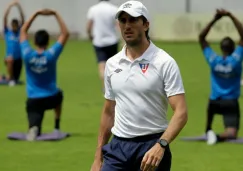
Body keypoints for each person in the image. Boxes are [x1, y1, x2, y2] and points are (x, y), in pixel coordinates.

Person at [90, 1, 188, 171]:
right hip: (118, 147)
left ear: (146, 25)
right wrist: (98, 157)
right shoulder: (112, 64)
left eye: (133, 20)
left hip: (152, 146)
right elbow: (108, 111)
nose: (127, 25)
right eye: (123, 20)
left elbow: (181, 112)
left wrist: (161, 145)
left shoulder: (164, 62)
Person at [19, 9, 69, 141]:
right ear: (47, 43)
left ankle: (33, 128)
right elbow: (65, 34)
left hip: (34, 100)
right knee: (60, 94)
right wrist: (56, 14)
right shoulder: (51, 55)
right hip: (51, 97)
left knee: (34, 122)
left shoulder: (27, 54)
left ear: (34, 42)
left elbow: (23, 31)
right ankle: (57, 126)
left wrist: (35, 14)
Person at [199, 9, 243, 145]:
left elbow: (201, 38)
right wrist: (230, 16)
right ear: (233, 48)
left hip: (214, 102)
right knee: (231, 134)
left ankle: (208, 131)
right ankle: (217, 137)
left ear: (221, 48)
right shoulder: (235, 60)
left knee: (210, 117)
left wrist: (215, 19)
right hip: (230, 102)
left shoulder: (214, 60)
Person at [86, 0, 120, 90]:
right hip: (112, 41)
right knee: (113, 65)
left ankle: (105, 87)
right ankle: (115, 86)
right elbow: (118, 25)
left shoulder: (93, 9)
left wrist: (89, 35)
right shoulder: (114, 9)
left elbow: (89, 25)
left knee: (102, 66)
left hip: (99, 41)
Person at [3, 0, 25, 86]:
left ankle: (8, 78)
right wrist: (10, 6)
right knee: (9, 60)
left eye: (16, 26)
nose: (15, 27)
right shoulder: (7, 32)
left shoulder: (20, 32)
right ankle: (10, 78)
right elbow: (5, 18)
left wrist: (18, 7)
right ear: (11, 25)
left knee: (16, 79)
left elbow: (23, 19)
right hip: (10, 58)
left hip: (18, 59)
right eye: (13, 26)